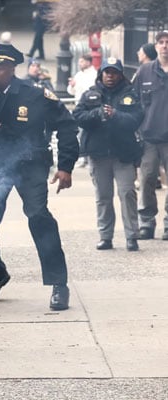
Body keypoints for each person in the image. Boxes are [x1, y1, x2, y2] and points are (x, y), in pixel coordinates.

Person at [0, 42, 79, 311]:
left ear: (12, 68)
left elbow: (67, 126)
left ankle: (59, 285)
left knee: (39, 217)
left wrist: (66, 166)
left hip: (30, 165)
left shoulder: (35, 94)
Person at [72, 58, 144, 252]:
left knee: (127, 193)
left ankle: (132, 236)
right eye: (107, 72)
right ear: (101, 74)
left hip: (123, 154)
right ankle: (105, 237)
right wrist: (97, 114)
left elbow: (137, 118)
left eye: (114, 73)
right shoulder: (90, 95)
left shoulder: (130, 95)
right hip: (99, 154)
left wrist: (116, 115)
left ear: (120, 75)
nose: (110, 76)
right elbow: (78, 117)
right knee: (103, 197)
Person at [135, 31, 168, 240]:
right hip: (149, 137)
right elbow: (133, 102)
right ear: (155, 46)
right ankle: (146, 222)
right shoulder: (145, 71)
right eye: (162, 42)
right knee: (147, 179)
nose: (165, 46)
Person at [67, 54, 98, 168]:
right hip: (79, 107)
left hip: (90, 108)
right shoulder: (79, 74)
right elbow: (71, 91)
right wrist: (72, 85)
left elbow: (90, 89)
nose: (80, 64)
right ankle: (82, 157)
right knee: (79, 133)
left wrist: (78, 85)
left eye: (82, 61)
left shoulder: (94, 75)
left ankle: (86, 157)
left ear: (88, 62)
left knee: (84, 134)